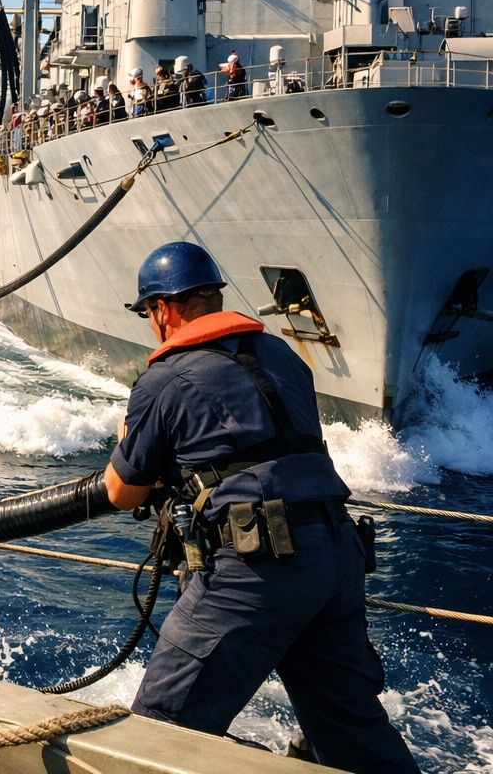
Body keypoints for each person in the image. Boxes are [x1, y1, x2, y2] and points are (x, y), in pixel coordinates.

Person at [103, 242, 419, 774]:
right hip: (337, 556)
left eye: (149, 315)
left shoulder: (162, 379)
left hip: (258, 567)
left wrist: (129, 439)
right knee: (350, 730)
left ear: (163, 309)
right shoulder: (284, 357)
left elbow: (121, 491)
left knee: (158, 732)